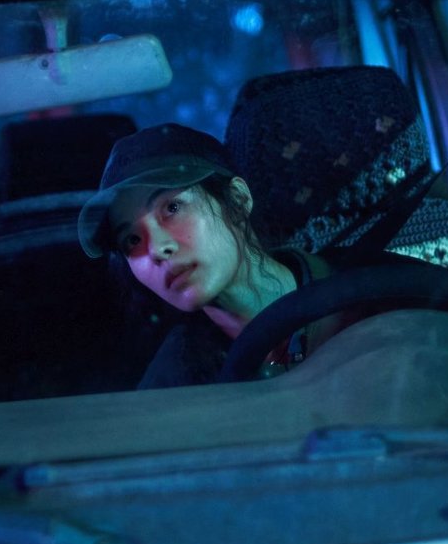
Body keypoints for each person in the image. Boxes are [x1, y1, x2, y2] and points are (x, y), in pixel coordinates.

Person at [78, 124, 329, 388]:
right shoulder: (173, 386)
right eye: (132, 239)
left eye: (172, 208)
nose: (157, 248)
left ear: (238, 199)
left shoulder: (354, 287)